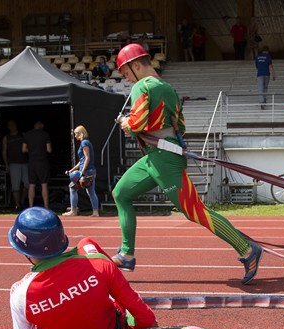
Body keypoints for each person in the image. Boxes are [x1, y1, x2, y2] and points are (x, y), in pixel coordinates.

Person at [112, 43, 263, 284]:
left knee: (195, 211)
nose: (126, 77)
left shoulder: (144, 85)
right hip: (157, 156)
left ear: (136, 64)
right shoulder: (167, 88)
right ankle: (127, 254)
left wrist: (126, 124)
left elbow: (137, 124)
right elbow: (180, 126)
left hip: (162, 158)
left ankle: (247, 249)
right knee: (121, 193)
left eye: (125, 71)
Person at [8, 207, 156, 329]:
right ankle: (110, 286)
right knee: (87, 243)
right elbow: (147, 319)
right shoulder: (101, 265)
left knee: (87, 247)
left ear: (23, 250)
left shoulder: (21, 295)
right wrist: (130, 323)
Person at [64, 125, 99, 217]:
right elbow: (82, 160)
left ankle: (73, 210)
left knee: (73, 188)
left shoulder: (84, 143)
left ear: (80, 133)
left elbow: (87, 158)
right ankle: (95, 212)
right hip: (90, 170)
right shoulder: (86, 143)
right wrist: (72, 170)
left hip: (86, 171)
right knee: (91, 191)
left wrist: (82, 171)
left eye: (76, 134)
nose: (75, 136)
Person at [22, 121, 52, 209]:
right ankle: (46, 206)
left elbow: (23, 149)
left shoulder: (27, 135)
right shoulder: (45, 135)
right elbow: (49, 149)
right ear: (41, 125)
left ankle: (31, 206)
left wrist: (31, 150)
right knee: (44, 184)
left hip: (31, 161)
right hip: (42, 161)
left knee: (32, 184)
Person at [2, 119, 29, 211]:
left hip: (24, 162)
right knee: (15, 185)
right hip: (13, 163)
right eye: (9, 125)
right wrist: (6, 164)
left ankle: (21, 201)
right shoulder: (7, 137)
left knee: (27, 183)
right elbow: (4, 151)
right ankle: (17, 205)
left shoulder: (22, 135)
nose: (11, 127)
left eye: (13, 125)